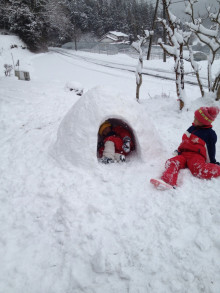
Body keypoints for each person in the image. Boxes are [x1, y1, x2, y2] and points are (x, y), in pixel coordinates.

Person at [150, 106, 220, 190]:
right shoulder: (191, 128)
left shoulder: (210, 134)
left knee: (197, 169)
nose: (194, 120)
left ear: (204, 122)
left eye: (196, 119)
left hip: (196, 156)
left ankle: (218, 169)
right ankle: (168, 182)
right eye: (194, 117)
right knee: (172, 162)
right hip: (184, 154)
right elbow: (184, 141)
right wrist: (179, 151)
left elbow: (211, 149)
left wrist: (212, 161)